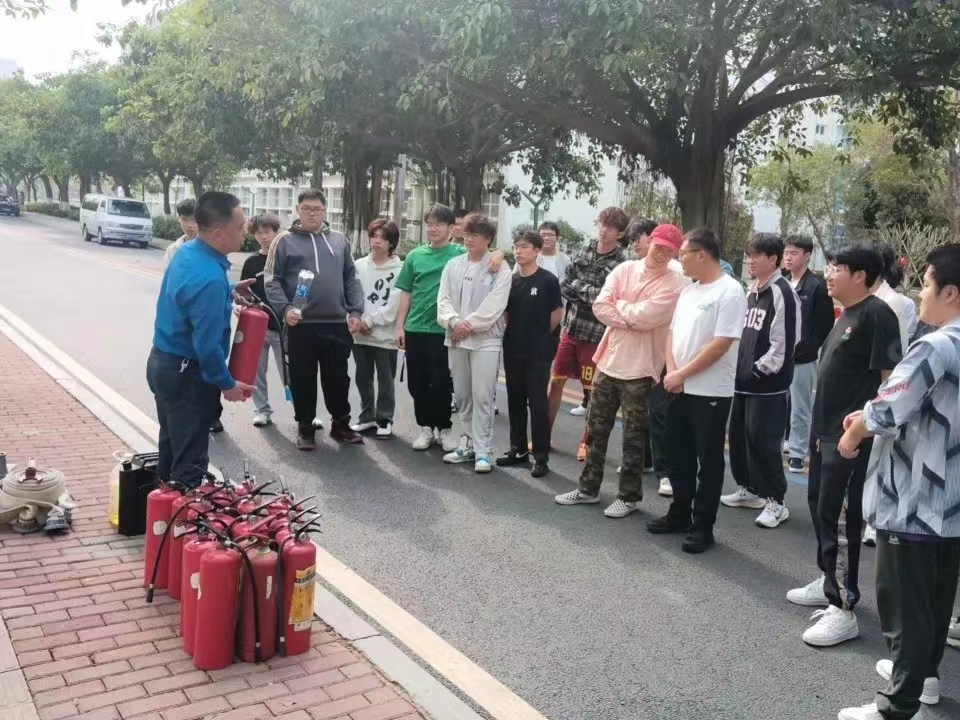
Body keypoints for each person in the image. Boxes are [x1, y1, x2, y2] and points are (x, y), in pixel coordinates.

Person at [835, 244, 960, 720]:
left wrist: (854, 432)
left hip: (913, 499)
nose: (921, 293)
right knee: (934, 598)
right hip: (949, 501)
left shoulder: (937, 345)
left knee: (904, 603)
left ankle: (897, 705)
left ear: (950, 292)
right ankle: (922, 678)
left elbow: (889, 408)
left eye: (926, 284)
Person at [786, 244, 902, 648]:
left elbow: (890, 382)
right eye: (830, 266)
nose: (829, 273)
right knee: (822, 509)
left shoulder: (877, 314)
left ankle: (844, 606)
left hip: (850, 438)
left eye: (837, 267)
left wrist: (867, 431)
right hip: (824, 434)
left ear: (860, 275)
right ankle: (829, 580)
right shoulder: (846, 315)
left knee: (842, 521)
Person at [555, 224, 686, 517]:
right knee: (595, 428)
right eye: (659, 246)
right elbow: (601, 306)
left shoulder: (674, 281)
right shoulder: (625, 269)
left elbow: (647, 317)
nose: (662, 253)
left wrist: (621, 308)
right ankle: (588, 489)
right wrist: (628, 314)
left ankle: (628, 497)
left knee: (633, 436)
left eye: (669, 251)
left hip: (641, 368)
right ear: (650, 241)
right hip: (609, 361)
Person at [644, 229, 747, 552]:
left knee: (709, 460)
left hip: (710, 391)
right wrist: (673, 371)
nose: (680, 260)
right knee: (678, 454)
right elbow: (672, 335)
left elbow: (720, 344)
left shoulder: (730, 291)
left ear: (702, 255)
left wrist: (682, 374)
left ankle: (703, 526)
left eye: (684, 254)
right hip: (678, 386)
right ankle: (679, 512)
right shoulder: (689, 291)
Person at [147, 191, 255, 489]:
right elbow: (206, 347)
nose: (246, 232)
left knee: (172, 447)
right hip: (187, 375)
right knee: (190, 465)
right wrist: (227, 384)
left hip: (163, 363)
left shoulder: (188, 252)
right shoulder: (209, 278)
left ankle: (161, 509)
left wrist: (229, 289)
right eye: (241, 227)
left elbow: (188, 295)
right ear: (219, 234)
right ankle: (180, 512)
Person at [264, 188, 365, 449]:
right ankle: (305, 427)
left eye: (317, 209)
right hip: (301, 325)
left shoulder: (339, 240)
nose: (312, 213)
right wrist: (286, 309)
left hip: (336, 324)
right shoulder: (284, 241)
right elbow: (272, 280)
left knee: (338, 378)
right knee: (303, 378)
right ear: (297, 211)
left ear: (324, 211)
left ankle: (341, 425)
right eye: (306, 209)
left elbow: (351, 278)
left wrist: (355, 311)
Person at [721, 233, 800, 529]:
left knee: (764, 442)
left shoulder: (782, 292)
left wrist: (757, 371)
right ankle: (749, 489)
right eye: (748, 255)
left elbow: (784, 345)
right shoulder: (751, 291)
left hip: (767, 387)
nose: (750, 261)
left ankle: (776, 501)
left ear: (773, 259)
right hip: (741, 383)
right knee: (739, 438)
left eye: (756, 256)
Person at [550, 207, 629, 460]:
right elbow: (565, 285)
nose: (604, 230)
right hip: (571, 329)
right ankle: (544, 435)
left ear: (620, 234)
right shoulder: (582, 251)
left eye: (611, 227)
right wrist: (589, 293)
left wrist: (582, 290)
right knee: (556, 382)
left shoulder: (622, 264)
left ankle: (587, 442)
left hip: (596, 336)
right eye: (602, 224)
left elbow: (606, 299)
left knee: (592, 392)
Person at [437, 213, 512, 473]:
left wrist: (467, 325)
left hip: (485, 341)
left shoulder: (500, 268)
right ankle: (467, 444)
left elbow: (495, 305)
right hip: (456, 338)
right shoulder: (453, 265)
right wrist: (453, 322)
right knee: (462, 395)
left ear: (488, 239)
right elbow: (443, 299)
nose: (469, 239)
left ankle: (483, 451)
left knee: (482, 396)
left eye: (476, 235)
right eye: (467, 234)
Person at [497, 231, 563, 477]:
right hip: (513, 348)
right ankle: (518, 449)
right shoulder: (511, 280)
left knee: (537, 404)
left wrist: (540, 337)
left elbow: (557, 314)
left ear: (536, 251)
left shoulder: (547, 280)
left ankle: (541, 456)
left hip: (538, 352)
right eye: (516, 246)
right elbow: (506, 314)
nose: (518, 251)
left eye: (524, 247)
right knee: (515, 400)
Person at [783, 234, 835, 474]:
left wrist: (808, 347)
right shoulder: (782, 283)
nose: (788, 257)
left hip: (803, 357)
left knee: (800, 407)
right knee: (778, 404)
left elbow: (825, 325)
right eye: (786, 253)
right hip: (779, 356)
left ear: (807, 256)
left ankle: (797, 453)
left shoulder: (816, 286)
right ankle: (782, 443)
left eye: (794, 253)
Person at [350, 218, 403, 439]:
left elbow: (394, 305)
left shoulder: (400, 269)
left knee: (385, 380)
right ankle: (366, 417)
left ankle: (384, 419)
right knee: (362, 378)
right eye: (374, 236)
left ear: (391, 243)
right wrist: (356, 321)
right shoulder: (359, 265)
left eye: (383, 237)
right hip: (359, 334)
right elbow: (351, 294)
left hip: (385, 335)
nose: (377, 241)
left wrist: (369, 322)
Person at [240, 214, 284, 428]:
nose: (264, 237)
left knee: (291, 373)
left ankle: (305, 411)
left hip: (284, 328)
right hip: (258, 327)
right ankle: (262, 410)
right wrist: (246, 306)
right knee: (257, 371)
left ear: (275, 232)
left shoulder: (286, 258)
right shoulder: (251, 262)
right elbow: (244, 293)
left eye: (267, 231)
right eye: (258, 233)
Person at [162, 199, 198, 269]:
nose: (189, 225)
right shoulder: (172, 250)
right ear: (179, 219)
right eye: (184, 219)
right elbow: (167, 274)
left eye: (193, 220)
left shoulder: (211, 248)